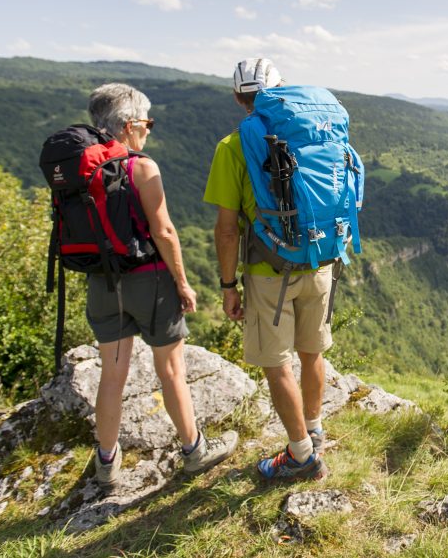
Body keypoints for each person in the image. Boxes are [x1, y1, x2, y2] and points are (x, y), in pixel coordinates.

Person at [86, 83, 238, 487]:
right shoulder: (142, 167)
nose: (149, 131)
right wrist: (183, 283)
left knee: (112, 373)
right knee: (171, 369)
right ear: (129, 125)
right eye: (146, 123)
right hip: (148, 281)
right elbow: (165, 231)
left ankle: (106, 461)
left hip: (101, 282)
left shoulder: (81, 168)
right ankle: (194, 451)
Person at [203, 58, 331, 483]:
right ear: (283, 89)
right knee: (312, 352)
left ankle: (300, 455)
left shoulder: (232, 146)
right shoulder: (312, 130)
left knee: (276, 363)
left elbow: (226, 230)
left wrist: (227, 285)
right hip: (319, 260)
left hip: (268, 270)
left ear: (240, 99)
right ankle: (313, 429)